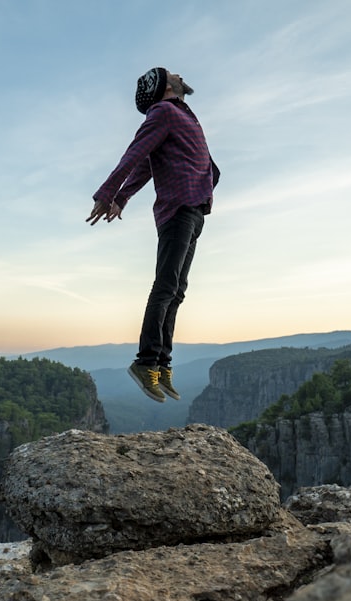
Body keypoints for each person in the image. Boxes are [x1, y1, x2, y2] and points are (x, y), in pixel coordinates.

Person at [87, 67, 220, 403]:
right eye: (171, 74)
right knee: (166, 286)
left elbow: (148, 164)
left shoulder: (181, 115)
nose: (179, 74)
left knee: (177, 290)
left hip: (194, 208)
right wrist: (109, 193)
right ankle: (146, 361)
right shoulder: (163, 112)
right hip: (178, 208)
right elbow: (135, 154)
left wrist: (122, 196)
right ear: (163, 87)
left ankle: (162, 363)